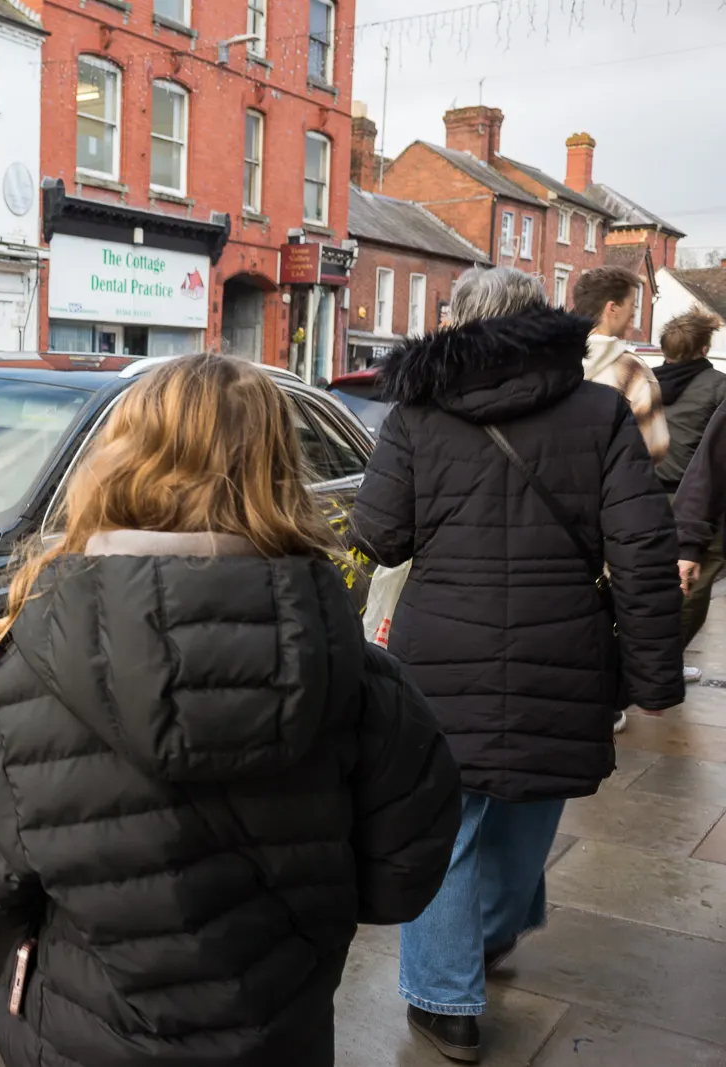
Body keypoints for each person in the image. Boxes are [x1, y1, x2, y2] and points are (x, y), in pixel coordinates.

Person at [0, 354, 463, 1067]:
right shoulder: (361, 678)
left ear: (120, 460)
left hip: (86, 1036)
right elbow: (405, 873)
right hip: (280, 1033)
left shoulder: (30, 670)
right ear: (281, 468)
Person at [353, 266, 683, 1062]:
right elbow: (641, 549)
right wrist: (653, 677)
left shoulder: (417, 413)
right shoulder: (599, 410)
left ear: (458, 325)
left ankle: (446, 998)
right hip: (563, 646)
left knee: (447, 820)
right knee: (533, 800)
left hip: (442, 651)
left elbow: (381, 534)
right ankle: (489, 934)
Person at [653, 308, 726, 665]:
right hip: (695, 501)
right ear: (704, 348)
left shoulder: (643, 381)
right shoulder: (720, 387)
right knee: (691, 585)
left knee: (641, 582)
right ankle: (662, 665)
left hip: (641, 498)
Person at [574, 265, 669, 464]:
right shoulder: (634, 373)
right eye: (632, 308)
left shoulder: (549, 360)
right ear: (613, 308)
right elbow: (655, 449)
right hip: (610, 489)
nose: (632, 321)